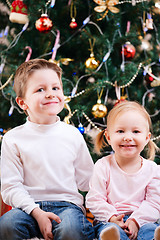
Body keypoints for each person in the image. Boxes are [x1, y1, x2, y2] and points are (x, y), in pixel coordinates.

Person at [0, 59, 95, 240]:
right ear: (22, 102)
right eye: (40, 89)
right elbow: (11, 187)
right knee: (6, 225)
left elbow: (89, 182)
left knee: (71, 230)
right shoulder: (13, 139)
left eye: (55, 88)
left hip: (68, 207)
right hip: (28, 208)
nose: (51, 94)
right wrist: (36, 212)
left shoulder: (72, 135)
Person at [86, 101, 160, 240]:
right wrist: (112, 217)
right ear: (108, 137)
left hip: (143, 221)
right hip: (110, 220)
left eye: (136, 131)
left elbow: (154, 203)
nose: (127, 137)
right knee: (110, 231)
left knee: (150, 229)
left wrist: (135, 221)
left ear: (146, 138)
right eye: (120, 131)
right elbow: (95, 199)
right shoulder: (102, 166)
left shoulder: (153, 170)